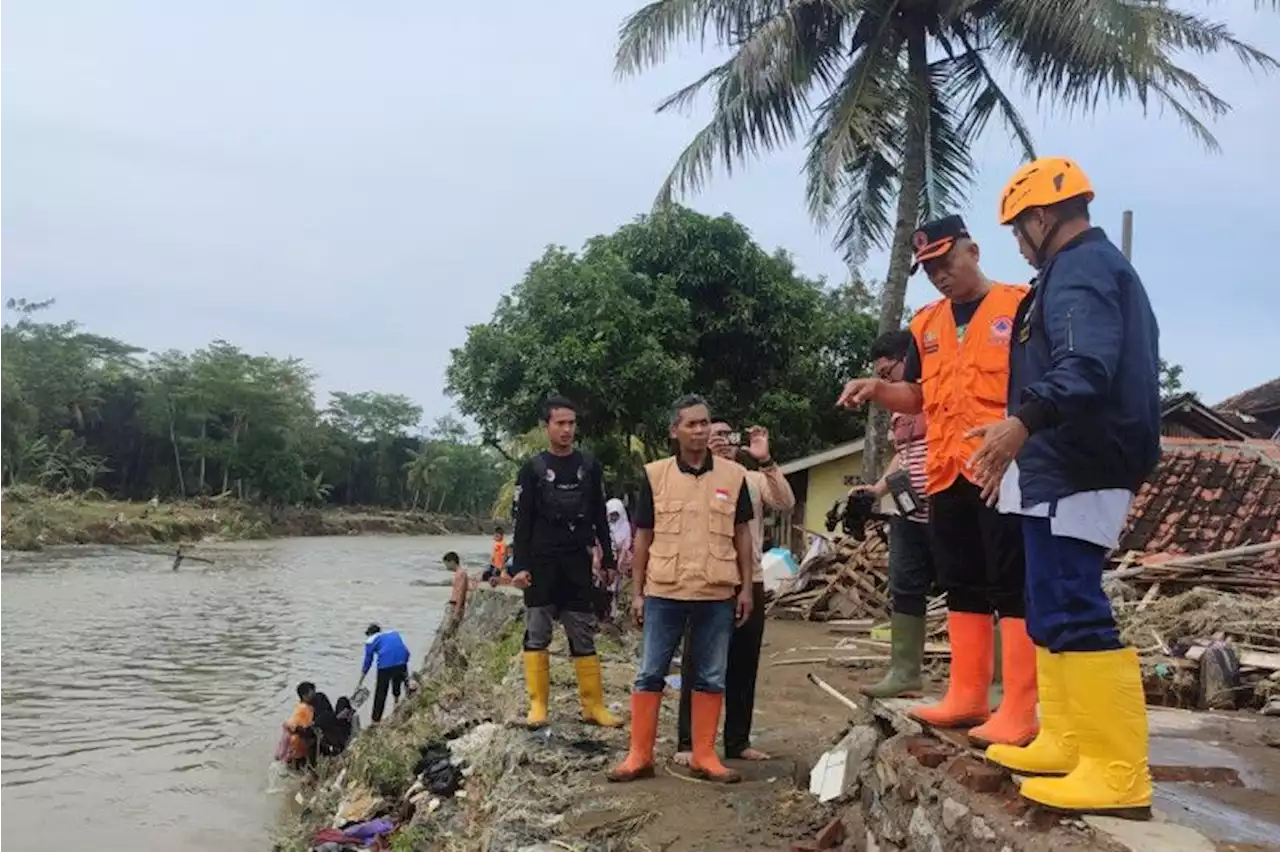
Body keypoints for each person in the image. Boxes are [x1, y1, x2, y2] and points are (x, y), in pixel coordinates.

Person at [969, 157, 1160, 818]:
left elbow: (1085, 367)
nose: (1017, 244)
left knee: (1074, 604)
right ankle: (1066, 738)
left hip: (1085, 462)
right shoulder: (1067, 271)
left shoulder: (1081, 269)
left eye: (1017, 230)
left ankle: (1115, 770)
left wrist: (1021, 423)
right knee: (1046, 600)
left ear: (1042, 217)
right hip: (1060, 463)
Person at [838, 214, 1036, 749]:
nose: (939, 276)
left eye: (946, 262)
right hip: (947, 473)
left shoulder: (1019, 306)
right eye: (928, 269)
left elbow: (1038, 389)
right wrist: (877, 390)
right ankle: (967, 694)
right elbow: (920, 399)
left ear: (972, 250)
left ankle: (1019, 704)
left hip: (1002, 469)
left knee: (1011, 584)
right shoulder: (926, 325)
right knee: (961, 580)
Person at [607, 395, 755, 785]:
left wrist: (746, 589)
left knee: (711, 675)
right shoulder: (655, 475)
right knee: (649, 673)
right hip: (664, 591)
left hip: (715, 591)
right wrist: (637, 592)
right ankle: (639, 755)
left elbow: (742, 535)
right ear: (675, 430)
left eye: (705, 423)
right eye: (691, 424)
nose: (700, 430)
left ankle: (704, 754)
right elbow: (643, 538)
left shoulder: (733, 476)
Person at [674, 422, 794, 765]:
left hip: (749, 578)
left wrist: (766, 459)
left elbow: (785, 502)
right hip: (707, 579)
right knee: (698, 663)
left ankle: (738, 741)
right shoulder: (695, 477)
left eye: (728, 436)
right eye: (715, 435)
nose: (723, 441)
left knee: (744, 663)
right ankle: (689, 742)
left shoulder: (752, 479)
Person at [512, 395, 620, 729]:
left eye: (571, 423)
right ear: (547, 427)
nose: (567, 429)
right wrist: (519, 567)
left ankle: (593, 706)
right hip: (542, 562)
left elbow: (601, 514)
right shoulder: (532, 469)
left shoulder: (589, 466)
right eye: (560, 423)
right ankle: (538, 706)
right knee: (537, 632)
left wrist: (609, 557)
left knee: (583, 632)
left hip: (577, 561)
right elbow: (522, 522)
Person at [851, 331, 937, 699]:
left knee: (978, 590)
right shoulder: (900, 410)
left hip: (951, 505)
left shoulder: (939, 390)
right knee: (904, 587)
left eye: (889, 373)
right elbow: (903, 454)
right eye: (880, 377)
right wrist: (876, 490)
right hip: (909, 510)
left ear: (910, 360)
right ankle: (904, 673)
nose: (885, 382)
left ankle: (994, 682)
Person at [357, 623, 411, 724]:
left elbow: (368, 662)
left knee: (381, 692)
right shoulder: (394, 634)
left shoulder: (371, 640)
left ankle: (375, 720)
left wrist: (360, 681)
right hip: (402, 660)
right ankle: (397, 702)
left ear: (370, 634)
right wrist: (404, 664)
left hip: (385, 665)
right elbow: (405, 651)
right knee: (398, 678)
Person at [285, 681, 317, 771]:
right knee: (298, 770)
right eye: (312, 692)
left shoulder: (300, 706)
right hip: (299, 744)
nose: (314, 694)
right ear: (304, 695)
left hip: (294, 743)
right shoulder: (305, 708)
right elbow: (300, 727)